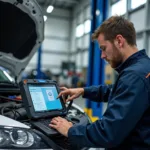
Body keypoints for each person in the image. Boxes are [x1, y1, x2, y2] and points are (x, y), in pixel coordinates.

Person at [49, 16, 150, 149]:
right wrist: (83, 91)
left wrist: (70, 130)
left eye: (103, 48)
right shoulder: (144, 66)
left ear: (119, 41)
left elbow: (108, 132)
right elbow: (116, 90)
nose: (102, 56)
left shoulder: (134, 76)